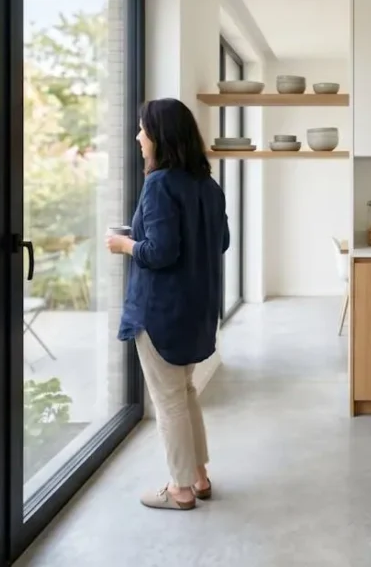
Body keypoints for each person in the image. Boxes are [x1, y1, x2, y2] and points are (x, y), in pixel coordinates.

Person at [107, 98, 229, 511]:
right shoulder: (208, 186)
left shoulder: (158, 183)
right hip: (197, 312)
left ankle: (179, 489)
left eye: (143, 129)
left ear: (161, 135)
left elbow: (160, 252)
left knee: (170, 400)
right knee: (184, 390)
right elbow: (222, 242)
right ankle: (198, 476)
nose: (139, 137)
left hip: (162, 312)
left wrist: (125, 244)